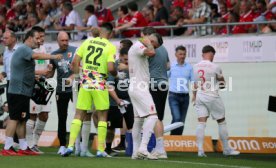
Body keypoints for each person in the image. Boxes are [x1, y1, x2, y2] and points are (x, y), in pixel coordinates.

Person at [0, 29, 62, 156]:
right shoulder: (24, 49)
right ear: (29, 38)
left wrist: (42, 73)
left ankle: (23, 147)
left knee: (22, 119)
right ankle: (7, 147)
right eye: (37, 38)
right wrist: (53, 56)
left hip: (23, 91)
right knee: (14, 118)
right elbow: (37, 56)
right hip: (18, 91)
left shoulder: (24, 51)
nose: (39, 41)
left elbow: (27, 71)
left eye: (41, 38)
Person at [62, 22, 117, 157]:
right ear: (110, 33)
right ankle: (100, 149)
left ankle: (70, 146)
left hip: (85, 81)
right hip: (99, 82)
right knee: (102, 115)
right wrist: (116, 74)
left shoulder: (87, 42)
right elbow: (110, 68)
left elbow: (74, 63)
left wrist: (77, 74)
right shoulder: (110, 47)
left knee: (79, 114)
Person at [193, 45, 240, 157]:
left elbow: (194, 83)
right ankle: (226, 149)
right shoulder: (215, 67)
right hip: (212, 96)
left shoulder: (194, 66)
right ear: (212, 54)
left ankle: (200, 151)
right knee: (221, 121)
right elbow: (223, 84)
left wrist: (194, 95)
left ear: (202, 54)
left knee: (201, 122)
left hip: (199, 95)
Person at [128, 33, 162, 160]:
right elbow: (151, 53)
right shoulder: (139, 46)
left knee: (138, 120)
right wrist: (148, 42)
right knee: (153, 116)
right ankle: (143, 148)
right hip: (139, 88)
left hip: (135, 87)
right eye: (155, 45)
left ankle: (135, 152)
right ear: (151, 40)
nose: (155, 48)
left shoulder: (136, 47)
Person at [140, 27, 169, 159]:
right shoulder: (163, 48)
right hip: (163, 83)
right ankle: (159, 148)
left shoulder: (149, 48)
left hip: (154, 84)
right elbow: (168, 65)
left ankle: (160, 149)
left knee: (154, 116)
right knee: (159, 117)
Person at [48, 31, 77, 155]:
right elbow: (50, 74)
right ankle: (62, 145)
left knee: (80, 116)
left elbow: (82, 68)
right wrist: (47, 71)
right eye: (62, 41)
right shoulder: (53, 55)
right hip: (61, 89)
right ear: (58, 41)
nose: (65, 43)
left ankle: (79, 145)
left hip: (75, 88)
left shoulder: (76, 51)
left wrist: (73, 75)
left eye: (66, 40)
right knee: (62, 117)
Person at [25, 26, 52, 154]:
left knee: (45, 115)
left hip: (43, 84)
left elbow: (47, 71)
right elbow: (27, 70)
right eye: (39, 37)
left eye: (43, 36)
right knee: (32, 115)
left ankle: (35, 142)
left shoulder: (44, 49)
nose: (41, 39)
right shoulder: (28, 50)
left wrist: (49, 69)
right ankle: (29, 144)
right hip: (32, 85)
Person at [105, 46, 134, 156]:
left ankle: (133, 149)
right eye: (126, 59)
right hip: (114, 101)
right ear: (120, 57)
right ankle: (108, 148)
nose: (128, 62)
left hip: (130, 101)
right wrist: (117, 99)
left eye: (129, 59)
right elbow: (109, 85)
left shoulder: (133, 66)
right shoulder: (114, 66)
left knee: (132, 126)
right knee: (111, 128)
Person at [168, 45, 194, 135]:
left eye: (184, 54)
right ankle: (172, 139)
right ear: (176, 54)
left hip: (185, 97)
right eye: (180, 54)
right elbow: (164, 77)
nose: (182, 56)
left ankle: (176, 140)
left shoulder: (189, 67)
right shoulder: (171, 66)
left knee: (181, 122)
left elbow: (193, 81)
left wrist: (195, 95)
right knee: (177, 118)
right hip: (173, 96)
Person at [0, 31, 18, 98]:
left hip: (19, 83)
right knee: (10, 106)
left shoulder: (20, 50)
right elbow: (6, 71)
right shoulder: (5, 52)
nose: (3, 40)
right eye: (3, 38)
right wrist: (2, 74)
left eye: (6, 38)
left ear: (13, 39)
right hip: (9, 83)